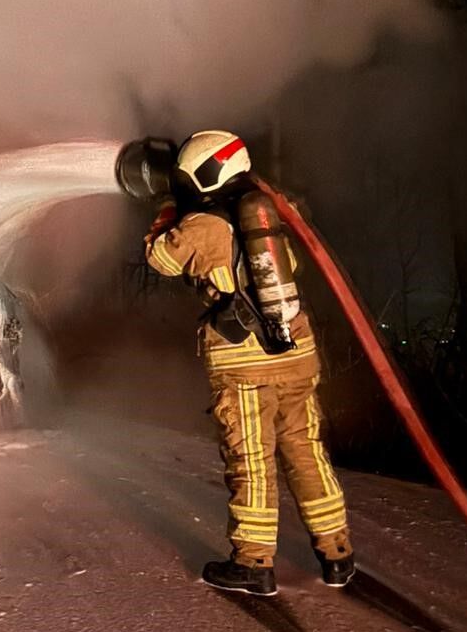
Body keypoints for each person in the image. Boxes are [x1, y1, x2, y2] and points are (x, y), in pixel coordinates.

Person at [144, 130, 354, 597]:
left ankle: (253, 563)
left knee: (252, 460)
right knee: (305, 449)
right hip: (296, 349)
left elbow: (161, 259)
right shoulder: (276, 209)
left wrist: (166, 212)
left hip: (245, 361)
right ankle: (337, 553)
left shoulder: (204, 224)